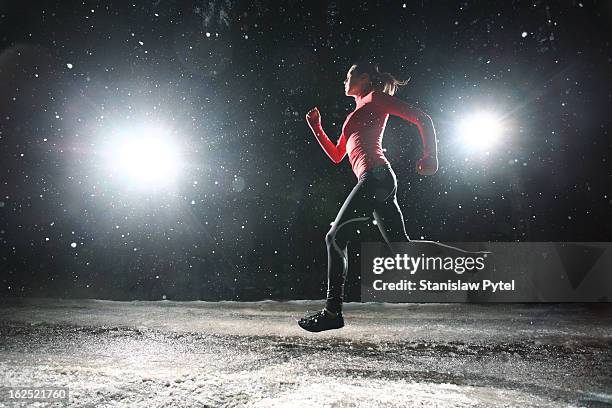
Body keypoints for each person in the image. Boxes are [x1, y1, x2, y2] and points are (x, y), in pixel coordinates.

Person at [298, 62, 440, 332]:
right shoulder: (356, 112)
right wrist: (316, 127)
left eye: (348, 75)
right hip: (378, 180)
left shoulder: (374, 99)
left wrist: (430, 155)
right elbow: (338, 155)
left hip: (376, 177)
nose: (344, 80)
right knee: (402, 248)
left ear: (364, 79)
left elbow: (423, 118)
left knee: (335, 237)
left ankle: (332, 311)